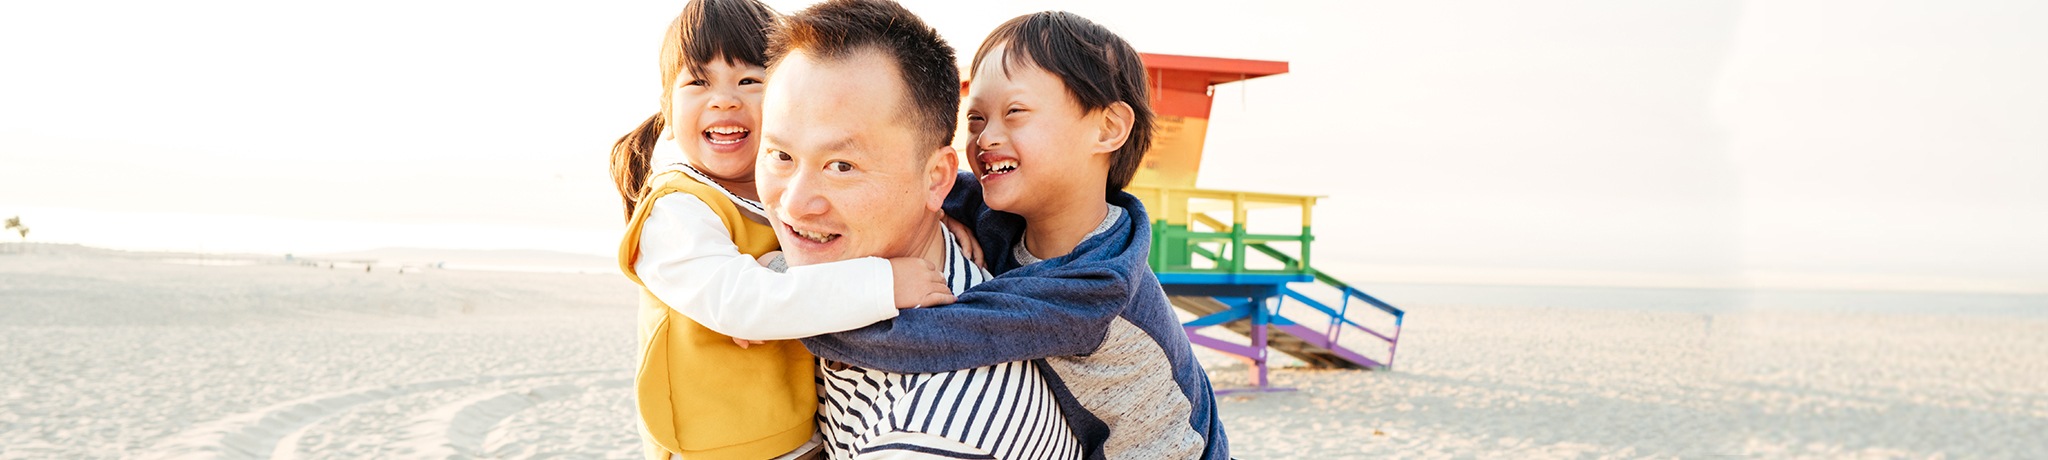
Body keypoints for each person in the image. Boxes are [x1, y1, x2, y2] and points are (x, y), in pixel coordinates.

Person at [800, 11, 1231, 459]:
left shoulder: (1094, 288)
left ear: (1107, 129)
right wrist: (939, 215)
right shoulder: (1006, 211)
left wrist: (793, 315)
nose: (987, 137)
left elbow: (937, 338)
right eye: (976, 119)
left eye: (1015, 112)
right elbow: (915, 187)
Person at [606, 0, 955, 458]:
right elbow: (740, 302)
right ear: (667, 108)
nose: (724, 98)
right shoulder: (675, 209)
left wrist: (944, 218)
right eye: (697, 81)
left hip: (798, 434)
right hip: (717, 447)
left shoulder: (772, 190)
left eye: (749, 80)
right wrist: (886, 283)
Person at [753, 1, 1080, 458]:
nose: (794, 203)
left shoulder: (939, 424)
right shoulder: (849, 267)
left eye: (842, 165)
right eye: (780, 155)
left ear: (937, 179)